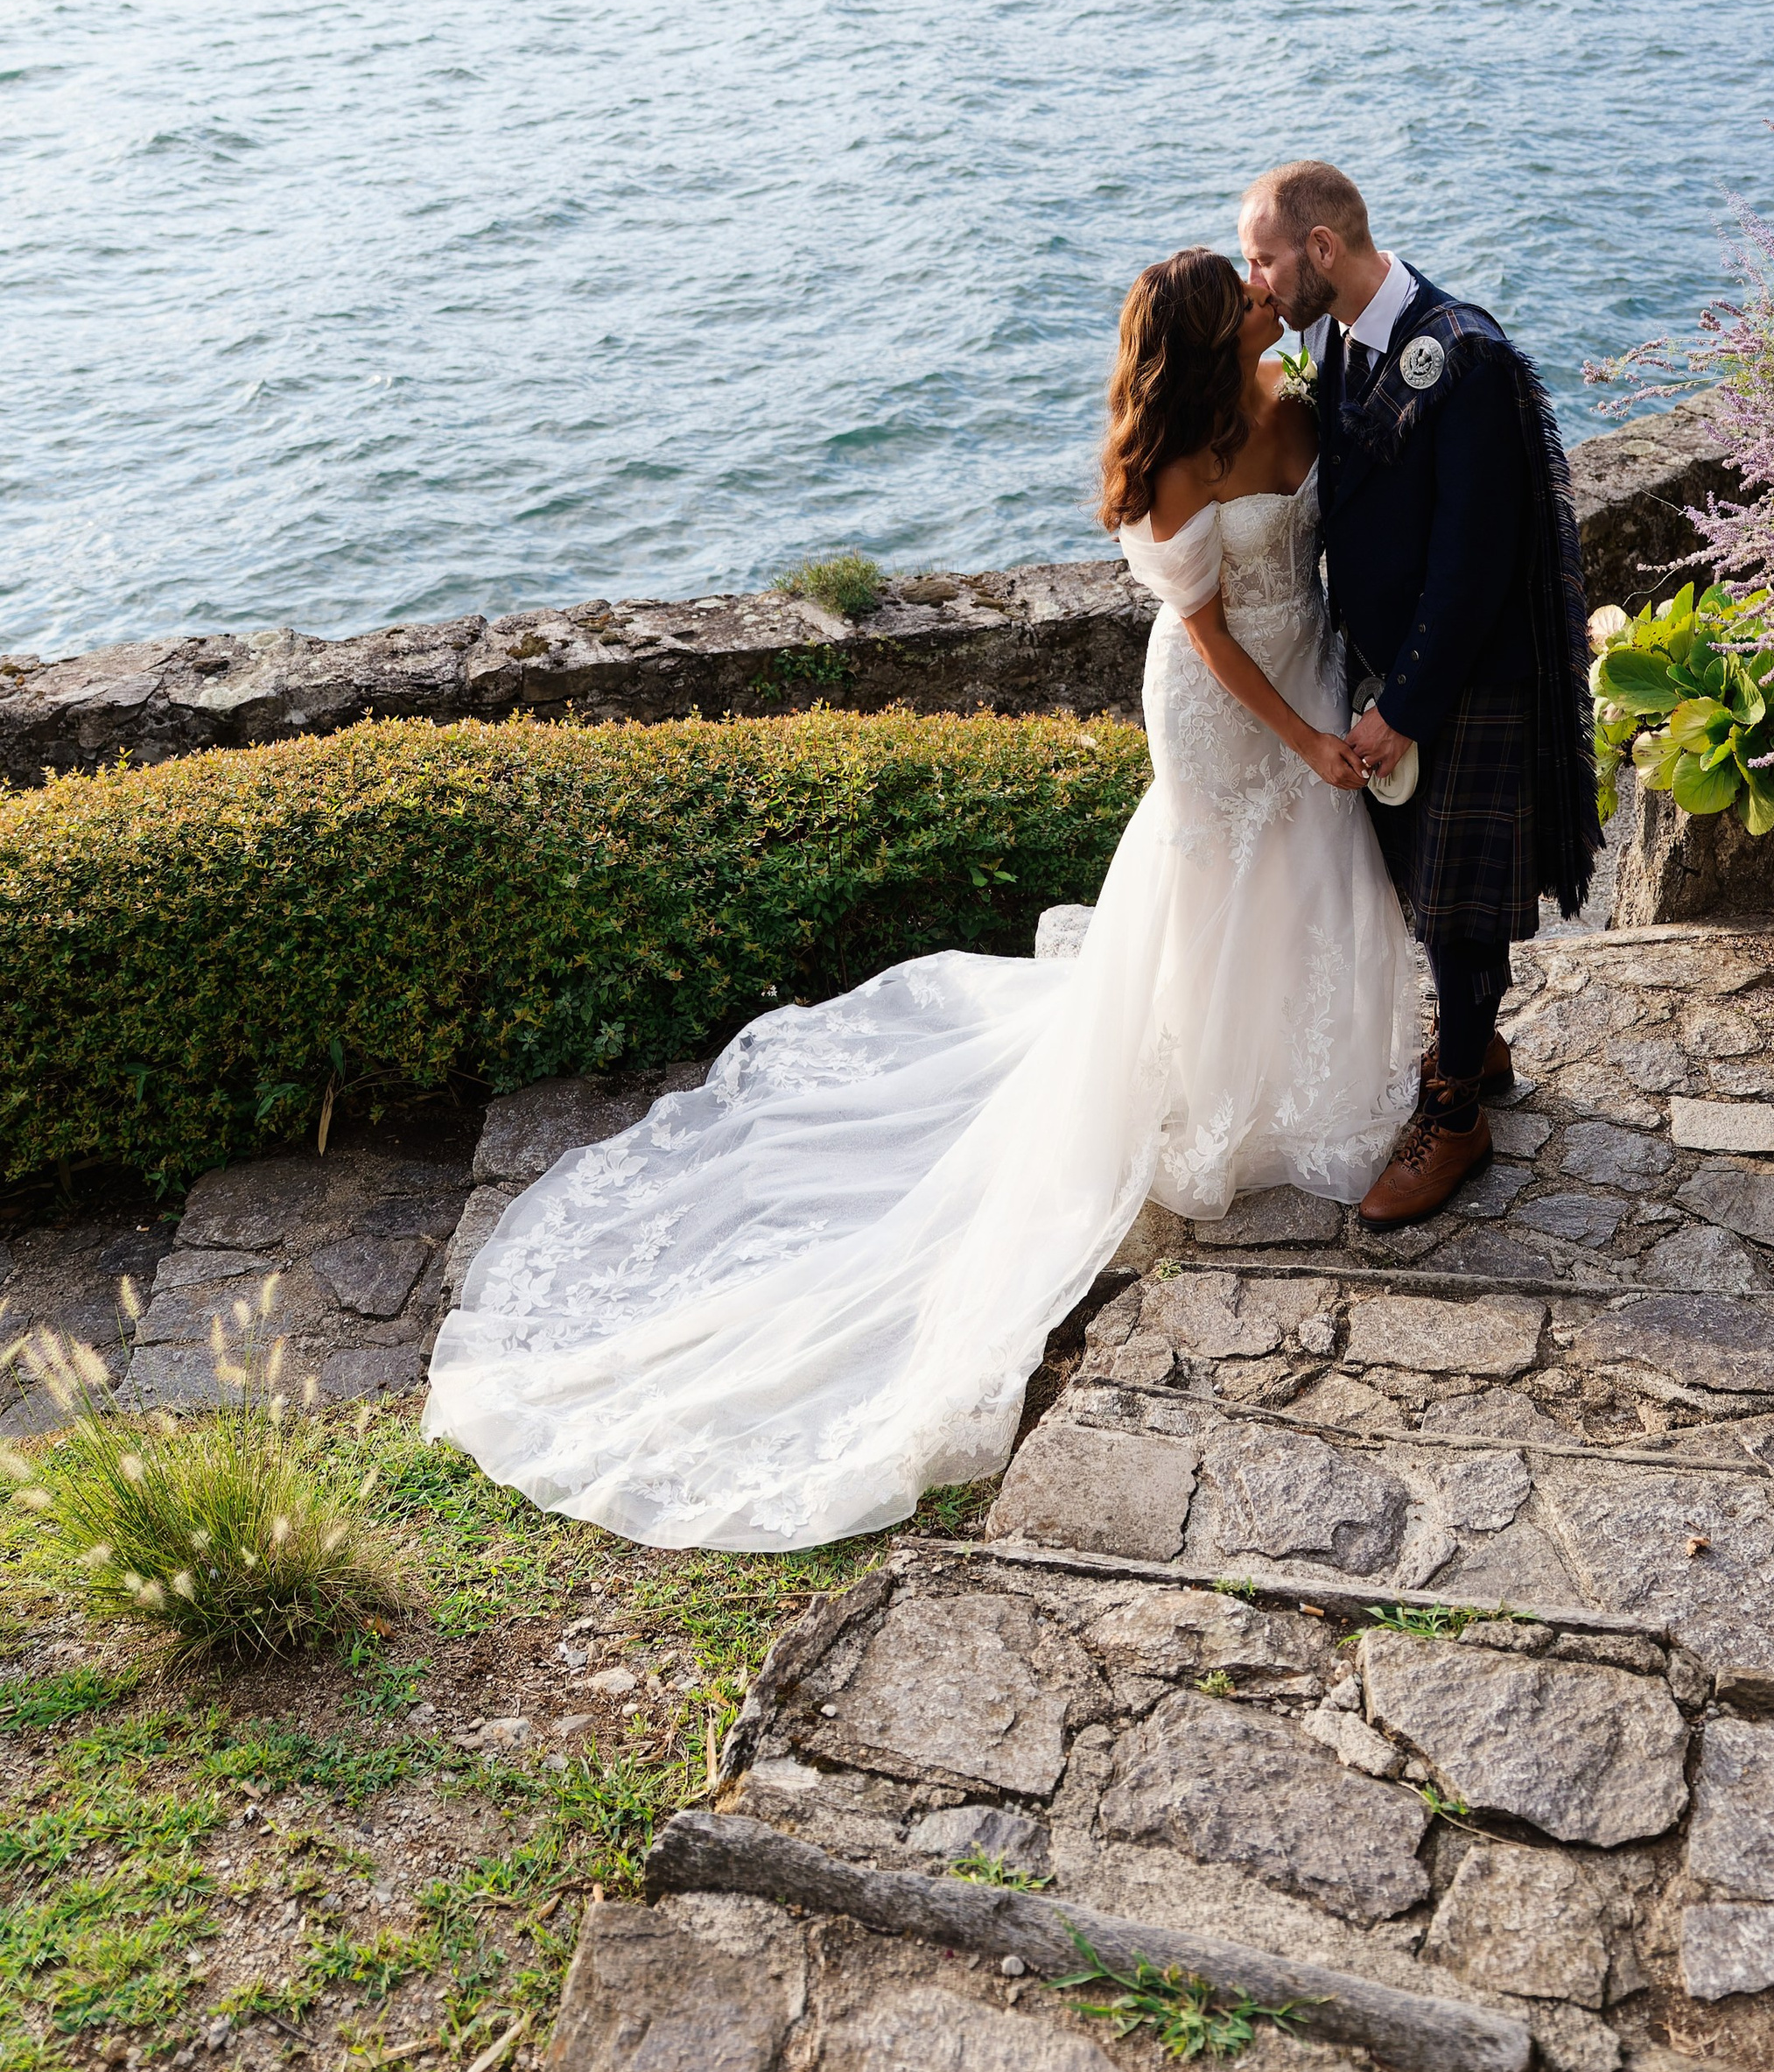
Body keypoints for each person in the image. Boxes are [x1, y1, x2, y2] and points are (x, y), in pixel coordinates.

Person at [421, 243, 1419, 1550]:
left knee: (1302, 883)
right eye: (1241, 292)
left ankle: (1296, 1074)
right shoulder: (1175, 461)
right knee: (1213, 888)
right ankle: (1205, 1097)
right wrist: (1299, 737)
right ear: (1200, 332)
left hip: (1318, 672)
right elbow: (1207, 634)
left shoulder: (1294, 397)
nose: (1264, 298)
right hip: (1229, 711)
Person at [1238, 162, 1600, 1226]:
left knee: (1453, 897)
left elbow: (1475, 564)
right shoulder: (1335, 338)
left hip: (1464, 672)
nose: (1251, 279)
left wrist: (1404, 706)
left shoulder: (1466, 355)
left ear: (1319, 250)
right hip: (1384, 664)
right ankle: (1473, 1044)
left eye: (1262, 256)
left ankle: (1455, 1118)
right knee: (1413, 879)